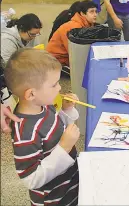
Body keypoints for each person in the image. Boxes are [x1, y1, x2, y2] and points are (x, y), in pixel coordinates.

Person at [4, 48, 80, 206]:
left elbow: (57, 128)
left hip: (70, 184)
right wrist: (64, 148)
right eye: (54, 85)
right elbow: (31, 179)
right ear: (31, 94)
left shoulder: (45, 106)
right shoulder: (25, 133)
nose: (60, 88)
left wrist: (66, 110)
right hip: (54, 199)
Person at [46, 1, 97, 66]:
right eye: (91, 12)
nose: (95, 14)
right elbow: (74, 54)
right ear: (82, 13)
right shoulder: (73, 27)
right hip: (55, 62)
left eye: (96, 11)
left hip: (65, 60)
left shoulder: (86, 25)